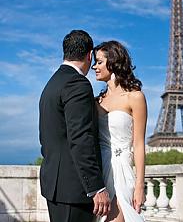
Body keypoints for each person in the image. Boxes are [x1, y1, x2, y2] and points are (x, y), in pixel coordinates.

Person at [39, 30, 111, 222]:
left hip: (55, 186)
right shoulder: (77, 83)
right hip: (74, 190)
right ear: (89, 55)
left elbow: (46, 138)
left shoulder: (52, 84)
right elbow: (81, 138)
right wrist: (95, 187)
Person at [92, 40, 147, 222]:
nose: (94, 66)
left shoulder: (135, 97)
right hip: (100, 174)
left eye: (99, 62)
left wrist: (140, 185)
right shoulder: (95, 102)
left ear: (113, 62)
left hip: (123, 173)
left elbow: (138, 145)